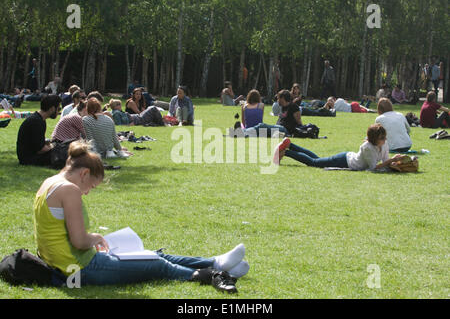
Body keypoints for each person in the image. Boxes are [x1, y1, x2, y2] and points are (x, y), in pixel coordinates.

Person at [33, 141, 249, 291]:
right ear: (84, 173)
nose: (87, 191)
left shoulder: (48, 183)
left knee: (149, 254)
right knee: (155, 263)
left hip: (68, 264)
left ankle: (216, 262)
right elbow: (79, 241)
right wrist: (96, 237)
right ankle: (211, 273)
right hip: (78, 268)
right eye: (90, 186)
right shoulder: (69, 190)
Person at [274, 124, 408, 172]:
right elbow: (372, 168)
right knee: (314, 163)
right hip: (344, 161)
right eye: (382, 138)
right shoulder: (368, 148)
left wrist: (394, 161)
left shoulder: (383, 145)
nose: (385, 140)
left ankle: (290, 144)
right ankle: (286, 151)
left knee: (317, 159)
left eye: (384, 137)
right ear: (374, 139)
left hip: (346, 158)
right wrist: (390, 162)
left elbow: (384, 160)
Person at [16, 94, 61, 166]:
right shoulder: (36, 122)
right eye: (58, 109)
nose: (58, 112)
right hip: (29, 159)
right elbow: (40, 150)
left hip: (29, 156)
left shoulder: (39, 119)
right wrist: (53, 146)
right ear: (52, 108)